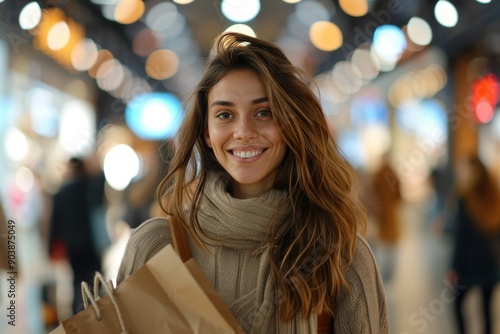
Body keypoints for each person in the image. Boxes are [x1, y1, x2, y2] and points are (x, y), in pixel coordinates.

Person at [117, 32, 389, 333]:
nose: (243, 131)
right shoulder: (156, 247)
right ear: (206, 132)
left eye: (264, 112)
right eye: (224, 114)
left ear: (291, 124)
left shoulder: (339, 253)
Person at [449, 155, 500, 334]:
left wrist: (454, 267)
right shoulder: (495, 197)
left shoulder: (466, 199)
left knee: (457, 303)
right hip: (492, 263)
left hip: (469, 266)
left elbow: (461, 238)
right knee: (487, 309)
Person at [49, 157, 106, 314]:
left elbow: (56, 222)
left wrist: (51, 248)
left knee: (77, 281)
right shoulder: (89, 186)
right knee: (96, 278)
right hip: (91, 243)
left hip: (72, 245)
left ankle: (80, 315)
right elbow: (101, 178)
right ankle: (99, 313)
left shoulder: (61, 193)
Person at [370, 155, 402, 284]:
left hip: (381, 215)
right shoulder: (393, 174)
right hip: (391, 214)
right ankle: (389, 276)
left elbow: (372, 193)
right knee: (391, 247)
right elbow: (399, 195)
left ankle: (382, 276)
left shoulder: (377, 175)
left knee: (381, 246)